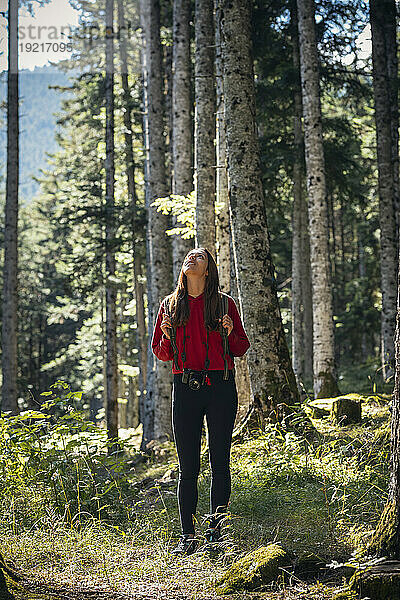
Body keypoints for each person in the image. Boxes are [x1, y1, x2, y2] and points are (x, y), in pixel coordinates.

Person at [151, 247, 250, 556]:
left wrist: (231, 331)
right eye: (189, 256)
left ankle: (217, 534)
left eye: (200, 257)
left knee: (220, 462)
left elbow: (241, 347)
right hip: (185, 388)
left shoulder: (225, 304)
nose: (191, 258)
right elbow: (162, 352)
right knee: (188, 466)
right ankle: (188, 536)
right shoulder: (170, 305)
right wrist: (167, 336)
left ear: (208, 270)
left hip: (221, 387)